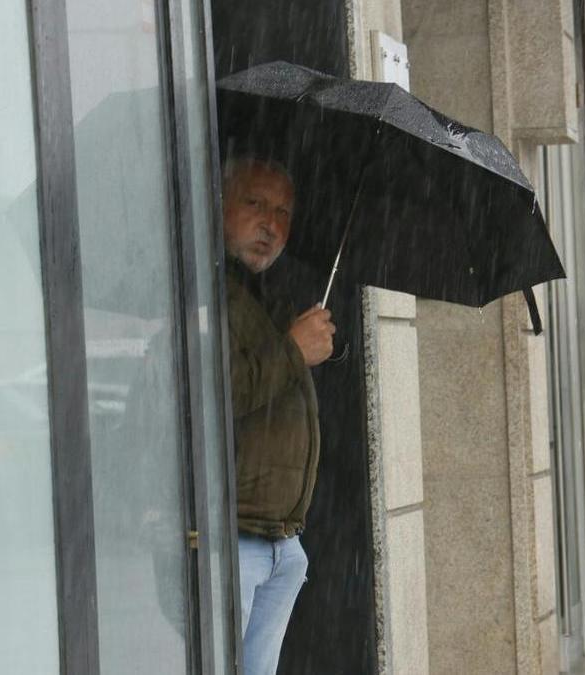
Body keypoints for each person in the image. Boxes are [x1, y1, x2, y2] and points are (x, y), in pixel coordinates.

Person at [222, 156, 335, 675]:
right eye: (255, 204)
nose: (272, 223)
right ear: (220, 204)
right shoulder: (204, 292)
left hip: (280, 542)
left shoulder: (269, 293)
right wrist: (292, 350)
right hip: (231, 540)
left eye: (284, 211)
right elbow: (214, 398)